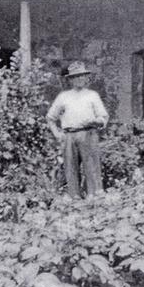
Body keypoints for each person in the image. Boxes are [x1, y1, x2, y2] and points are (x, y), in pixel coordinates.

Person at [46, 61, 109, 198]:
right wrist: (57, 134)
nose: (79, 79)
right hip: (69, 135)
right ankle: (75, 197)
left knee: (91, 166)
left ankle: (94, 196)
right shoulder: (64, 97)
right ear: (70, 80)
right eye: (75, 77)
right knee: (70, 167)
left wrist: (96, 121)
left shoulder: (92, 95)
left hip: (89, 133)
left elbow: (103, 117)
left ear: (86, 78)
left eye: (82, 76)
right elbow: (50, 118)